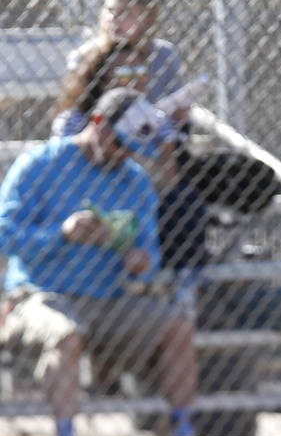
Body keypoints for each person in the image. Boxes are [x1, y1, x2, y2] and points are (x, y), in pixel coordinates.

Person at [0, 88, 198, 436]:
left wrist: (140, 262)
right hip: (40, 296)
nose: (122, 155)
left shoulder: (134, 181)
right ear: (97, 123)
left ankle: (184, 435)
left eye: (129, 149)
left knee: (178, 329)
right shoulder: (39, 164)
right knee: (65, 334)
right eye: (118, 144)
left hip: (109, 299)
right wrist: (60, 233)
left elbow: (148, 254)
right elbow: (4, 237)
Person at [52, 38, 209, 273]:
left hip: (133, 199)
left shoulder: (156, 119)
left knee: (184, 200)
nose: (135, 79)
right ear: (102, 77)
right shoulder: (74, 119)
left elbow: (169, 181)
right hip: (83, 200)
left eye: (141, 71)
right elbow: (62, 172)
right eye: (125, 72)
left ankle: (181, 288)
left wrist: (150, 147)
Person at [66, 0, 182, 104]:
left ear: (147, 18)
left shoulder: (164, 55)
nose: (113, 19)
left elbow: (177, 106)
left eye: (124, 12)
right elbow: (72, 114)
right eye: (110, 10)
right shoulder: (85, 57)